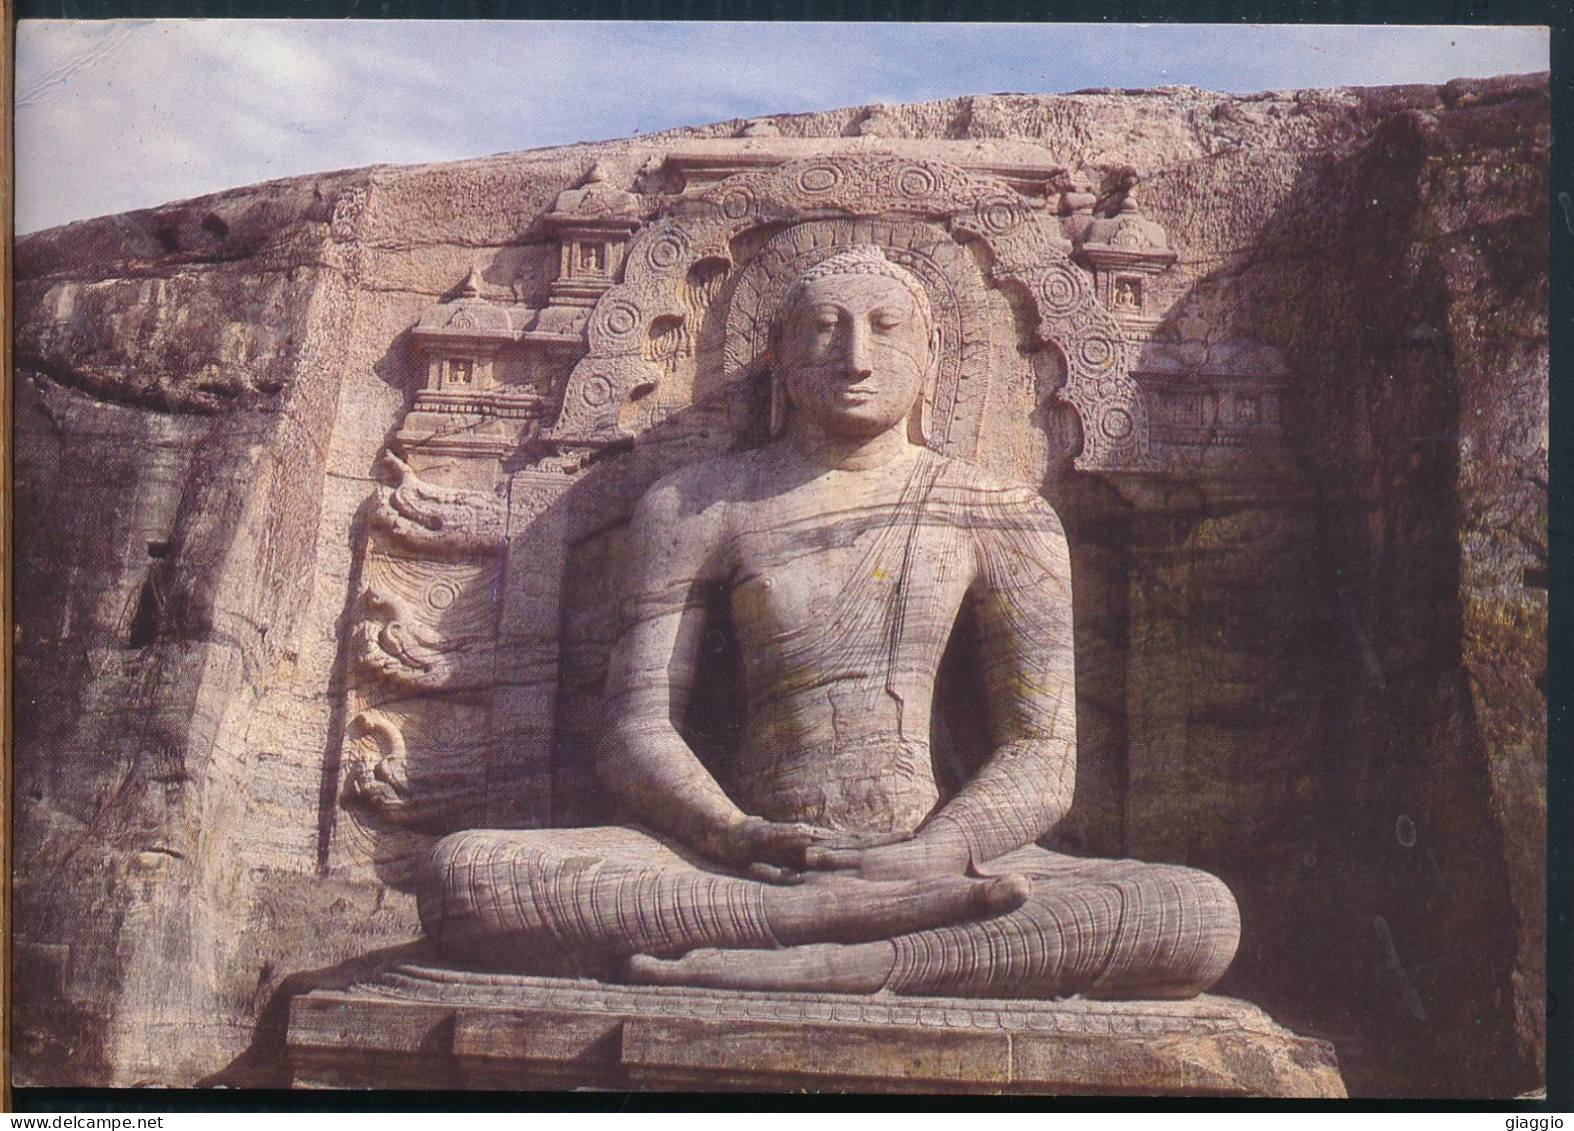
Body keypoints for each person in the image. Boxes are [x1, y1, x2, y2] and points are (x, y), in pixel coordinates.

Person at [418, 245, 1240, 998]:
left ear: (932, 362)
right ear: (775, 356)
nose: (854, 356)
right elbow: (636, 733)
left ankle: (842, 959)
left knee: (1195, 913)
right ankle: (820, 927)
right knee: (469, 875)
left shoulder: (997, 512)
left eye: (885, 329)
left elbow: (1042, 751)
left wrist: (936, 851)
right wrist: (734, 832)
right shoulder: (696, 503)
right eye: (823, 328)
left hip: (938, 859)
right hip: (745, 863)